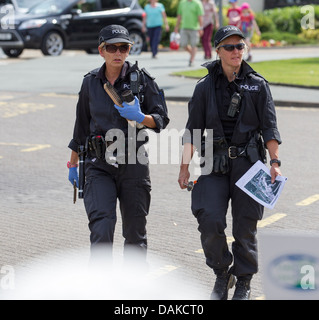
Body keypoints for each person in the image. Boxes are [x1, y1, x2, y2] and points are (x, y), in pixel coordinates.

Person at [178, 25, 282, 300]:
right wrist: (184, 167)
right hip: (213, 163)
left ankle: (244, 281)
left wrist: (275, 162)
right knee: (209, 219)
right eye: (229, 47)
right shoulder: (203, 87)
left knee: (245, 225)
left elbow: (270, 128)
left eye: (240, 46)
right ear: (218, 50)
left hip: (248, 165)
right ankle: (223, 274)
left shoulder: (258, 85)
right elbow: (192, 130)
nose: (236, 51)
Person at [67, 25, 169, 264]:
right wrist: (73, 164)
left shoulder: (142, 80)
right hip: (98, 164)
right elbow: (81, 127)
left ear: (129, 49)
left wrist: (140, 117)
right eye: (112, 47)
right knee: (101, 229)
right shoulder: (90, 83)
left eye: (123, 47)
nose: (118, 52)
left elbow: (161, 119)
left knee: (135, 234)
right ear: (101, 50)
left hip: (133, 163)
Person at [174, 0, 204, 67]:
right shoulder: (182, 2)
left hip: (195, 28)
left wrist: (201, 28)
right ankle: (192, 54)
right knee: (183, 44)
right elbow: (179, 15)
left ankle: (191, 60)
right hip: (184, 27)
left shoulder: (197, 3)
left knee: (194, 44)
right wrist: (176, 27)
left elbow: (200, 16)